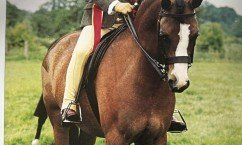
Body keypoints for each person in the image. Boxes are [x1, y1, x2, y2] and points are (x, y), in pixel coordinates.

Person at [61, 0, 186, 132]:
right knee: (82, 52)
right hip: (101, 21)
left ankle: (166, 112)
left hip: (134, 23)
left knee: (161, 51)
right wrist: (115, 5)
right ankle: (69, 104)